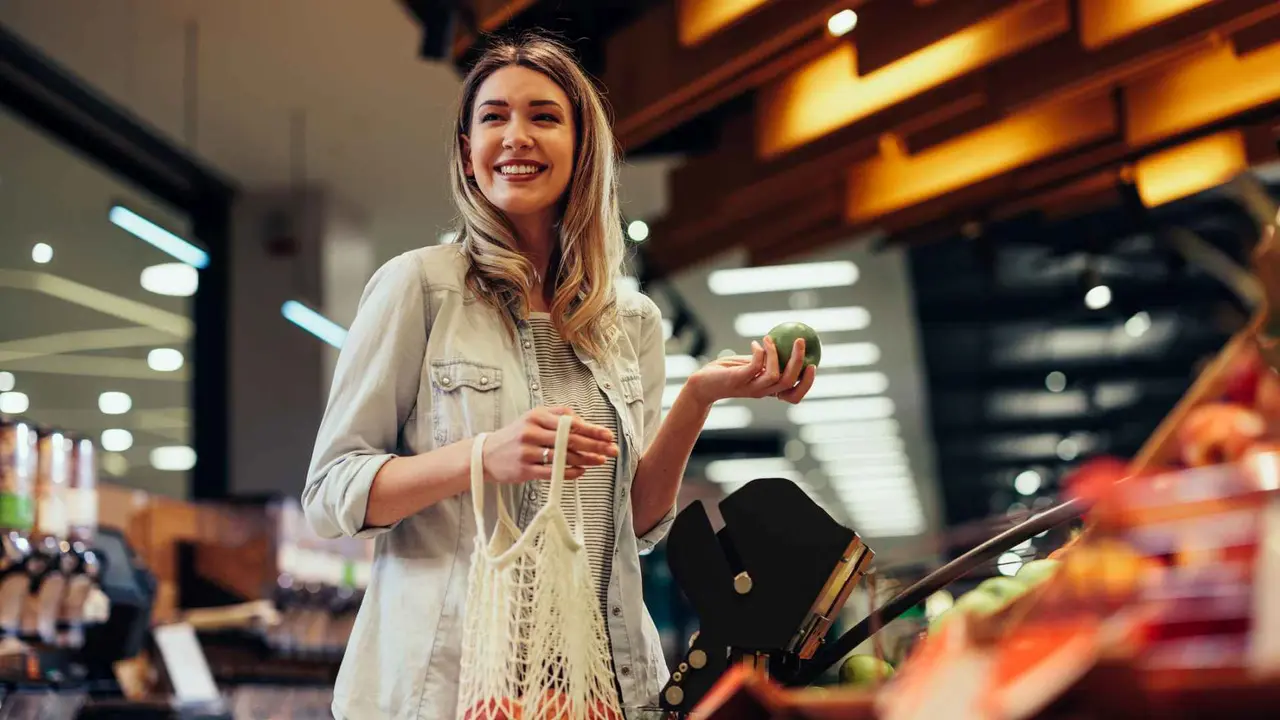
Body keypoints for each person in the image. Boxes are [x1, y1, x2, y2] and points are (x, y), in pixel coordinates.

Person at [303, 33, 817, 720]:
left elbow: (631, 522)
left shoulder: (628, 321)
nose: (516, 136)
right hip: (452, 690)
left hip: (602, 688)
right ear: (466, 150)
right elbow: (332, 491)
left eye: (543, 116)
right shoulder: (420, 288)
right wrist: (485, 456)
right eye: (493, 117)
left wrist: (698, 398)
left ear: (582, 147)